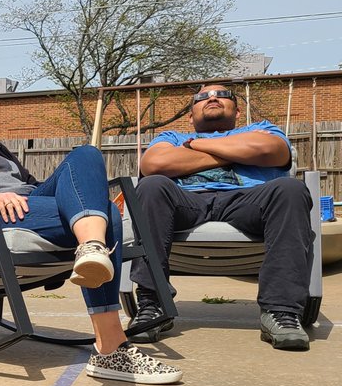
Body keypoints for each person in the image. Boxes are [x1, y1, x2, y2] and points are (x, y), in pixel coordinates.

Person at [0, 68, 182, 385]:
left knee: (86, 154)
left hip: (25, 206)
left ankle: (92, 247)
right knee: (104, 210)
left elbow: (28, 186)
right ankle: (111, 345)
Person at [127, 83, 312, 350]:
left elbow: (270, 151)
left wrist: (198, 146)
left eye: (222, 95)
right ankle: (152, 304)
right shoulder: (170, 136)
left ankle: (281, 311)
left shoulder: (261, 128)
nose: (212, 97)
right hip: (186, 200)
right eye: (203, 97)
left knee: (291, 189)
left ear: (238, 112)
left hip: (250, 199)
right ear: (190, 116)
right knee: (151, 185)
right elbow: (155, 165)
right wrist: (235, 152)